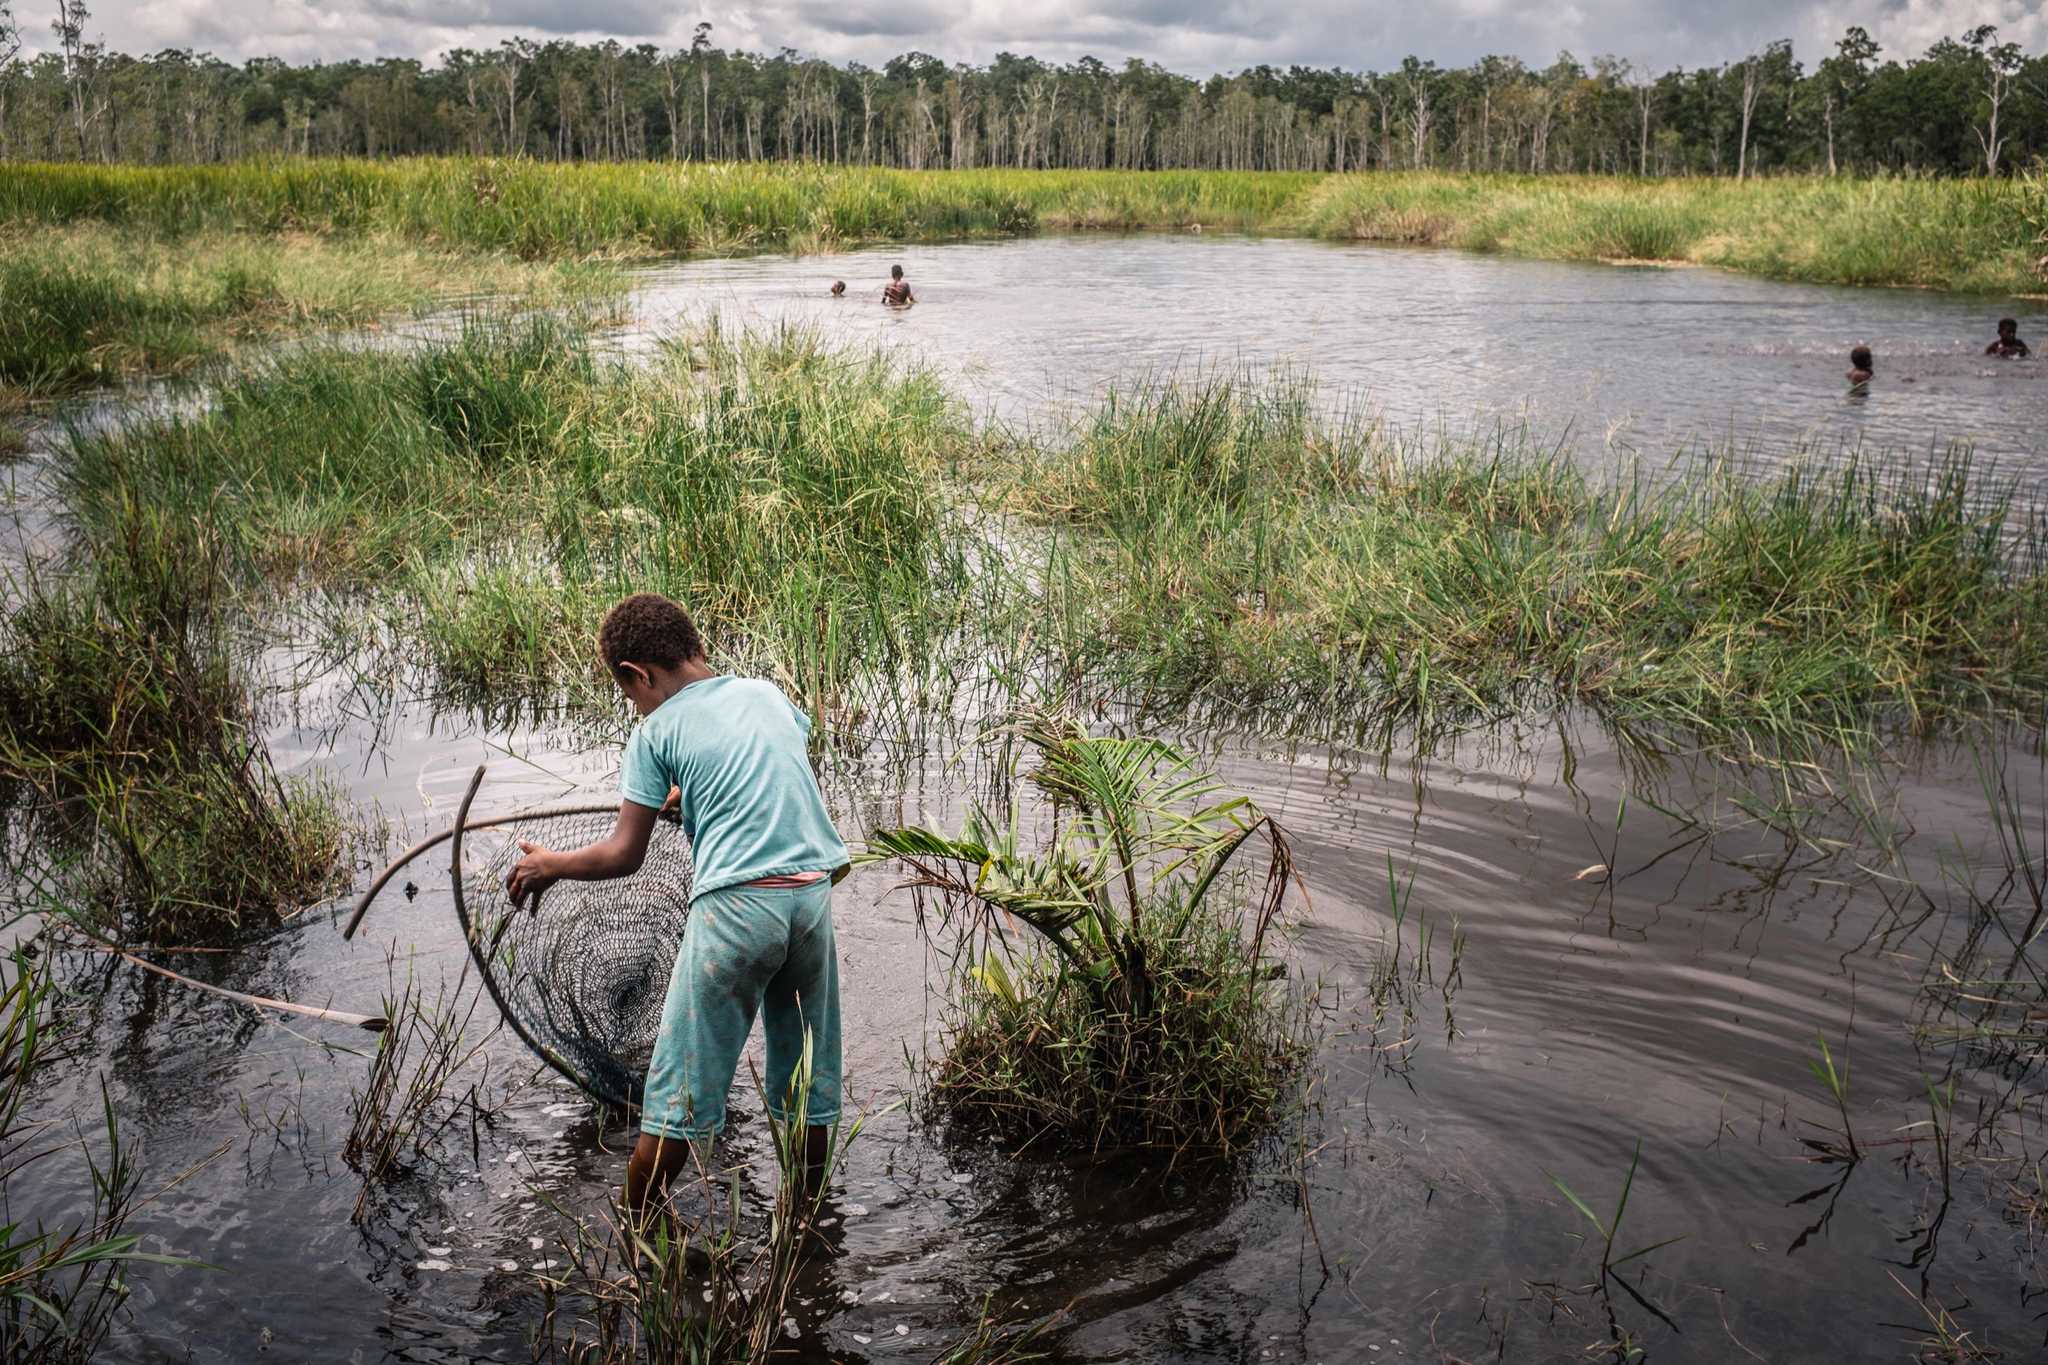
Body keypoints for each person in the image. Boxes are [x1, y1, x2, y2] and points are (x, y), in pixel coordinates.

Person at [505, 593, 849, 1216]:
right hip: (811, 897)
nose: (636, 704)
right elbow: (763, 781)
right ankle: (808, 1222)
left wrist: (550, 864)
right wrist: (690, 797)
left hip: (739, 910)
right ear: (696, 648)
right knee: (804, 1080)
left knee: (677, 1098)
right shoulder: (767, 694)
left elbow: (624, 855)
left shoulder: (654, 730)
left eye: (630, 691)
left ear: (637, 674)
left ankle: (638, 1233)